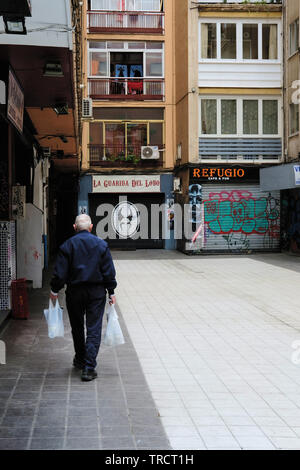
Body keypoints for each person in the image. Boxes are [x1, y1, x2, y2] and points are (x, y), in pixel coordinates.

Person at [49, 214, 117, 382]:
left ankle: (80, 359)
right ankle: (89, 368)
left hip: (75, 292)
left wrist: (54, 290)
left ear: (74, 227)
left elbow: (60, 273)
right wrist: (111, 291)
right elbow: (108, 271)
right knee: (93, 328)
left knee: (77, 327)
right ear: (91, 227)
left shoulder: (67, 246)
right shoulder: (102, 245)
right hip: (96, 292)